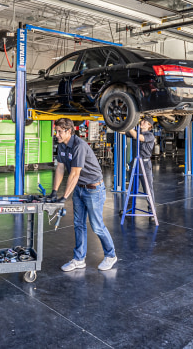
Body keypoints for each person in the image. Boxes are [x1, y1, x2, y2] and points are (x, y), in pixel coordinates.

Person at [50, 117, 117, 272]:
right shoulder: (62, 146)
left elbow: (74, 174)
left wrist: (64, 197)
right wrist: (54, 191)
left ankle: (111, 255)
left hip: (94, 189)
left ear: (68, 131)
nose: (57, 134)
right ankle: (79, 259)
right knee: (79, 224)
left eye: (59, 131)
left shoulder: (79, 146)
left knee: (97, 225)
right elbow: (60, 168)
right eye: (56, 131)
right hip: (79, 189)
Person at [124, 116, 156, 203]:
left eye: (145, 121)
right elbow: (122, 131)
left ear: (149, 125)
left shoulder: (150, 136)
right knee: (132, 187)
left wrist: (129, 124)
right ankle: (129, 209)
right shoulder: (135, 133)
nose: (142, 122)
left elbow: (139, 137)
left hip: (145, 165)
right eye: (142, 120)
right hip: (134, 163)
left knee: (148, 189)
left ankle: (151, 211)